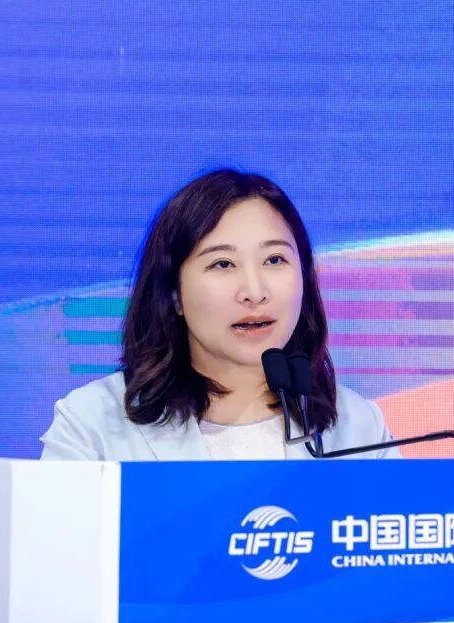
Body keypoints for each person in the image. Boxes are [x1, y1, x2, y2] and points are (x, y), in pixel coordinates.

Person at [40, 168, 399, 461]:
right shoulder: (93, 426)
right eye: (223, 264)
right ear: (174, 294)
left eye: (275, 259)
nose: (254, 291)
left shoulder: (357, 427)